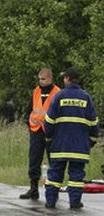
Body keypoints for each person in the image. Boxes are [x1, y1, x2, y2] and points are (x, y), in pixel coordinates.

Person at [44, 68, 100, 209]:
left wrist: (49, 138)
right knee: (76, 177)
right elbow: (94, 123)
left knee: (55, 175)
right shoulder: (86, 98)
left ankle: (51, 202)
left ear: (67, 78)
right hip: (79, 147)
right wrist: (91, 141)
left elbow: (49, 121)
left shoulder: (59, 96)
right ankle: (75, 203)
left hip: (60, 145)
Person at [20, 68, 60, 199]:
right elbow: (30, 109)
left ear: (50, 79)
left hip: (51, 133)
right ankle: (33, 189)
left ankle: (54, 191)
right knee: (34, 160)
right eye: (39, 79)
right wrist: (29, 123)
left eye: (43, 79)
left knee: (53, 161)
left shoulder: (57, 93)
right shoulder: (36, 91)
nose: (40, 82)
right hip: (36, 131)